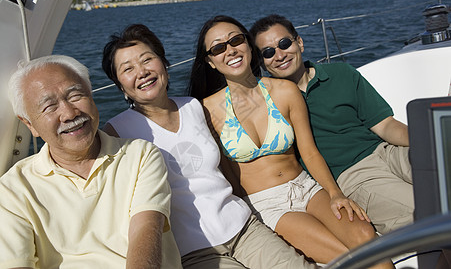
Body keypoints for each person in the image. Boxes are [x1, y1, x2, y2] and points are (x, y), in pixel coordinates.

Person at [101, 23, 317, 269]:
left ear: (164, 64)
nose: (142, 72)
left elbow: (228, 165)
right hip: (196, 252)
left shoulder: (194, 107)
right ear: (120, 85)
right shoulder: (117, 132)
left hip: (244, 228)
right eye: (128, 69)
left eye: (147, 60)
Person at [188, 15, 394, 268]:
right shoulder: (206, 111)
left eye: (236, 40)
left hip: (306, 187)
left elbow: (309, 152)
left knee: (367, 240)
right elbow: (228, 176)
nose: (230, 49)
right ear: (210, 61)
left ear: (248, 44)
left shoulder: (285, 91)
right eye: (219, 47)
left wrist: (335, 193)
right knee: (346, 257)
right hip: (266, 204)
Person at [0, 55, 182, 269]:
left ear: (91, 96)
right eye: (49, 107)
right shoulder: (12, 190)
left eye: (76, 95)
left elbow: (146, 231)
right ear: (29, 124)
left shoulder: (140, 155)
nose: (69, 113)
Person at [249, 14, 413, 235]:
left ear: (300, 42)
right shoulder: (271, 107)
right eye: (268, 53)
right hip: (354, 175)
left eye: (284, 43)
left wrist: (429, 141)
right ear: (262, 63)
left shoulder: (342, 74)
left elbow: (385, 126)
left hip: (388, 151)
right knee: (427, 210)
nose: (279, 55)